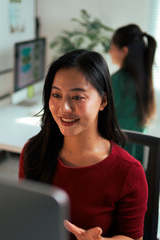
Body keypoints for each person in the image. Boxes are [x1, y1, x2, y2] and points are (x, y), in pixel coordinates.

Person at [18, 49, 148, 240]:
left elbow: (132, 237)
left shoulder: (129, 172)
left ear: (103, 101)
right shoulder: (34, 151)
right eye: (56, 95)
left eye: (77, 97)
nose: (64, 108)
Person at [109, 24, 157, 165]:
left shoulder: (117, 80)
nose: (110, 51)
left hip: (119, 150)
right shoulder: (144, 77)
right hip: (137, 149)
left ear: (124, 51)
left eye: (112, 47)